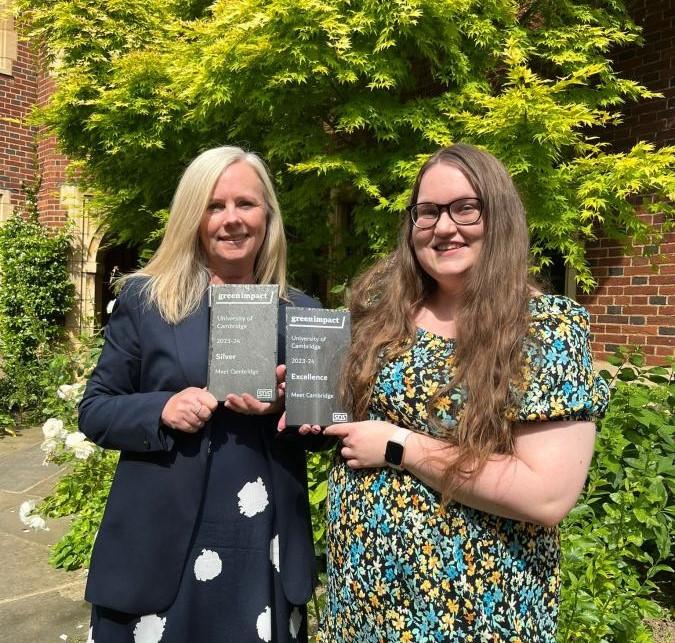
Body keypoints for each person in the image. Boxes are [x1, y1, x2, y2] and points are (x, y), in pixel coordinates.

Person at [317, 144, 609, 641]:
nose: (444, 227)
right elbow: (345, 418)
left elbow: (547, 494)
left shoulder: (544, 328)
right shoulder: (384, 313)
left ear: (499, 216)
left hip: (474, 606)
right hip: (363, 598)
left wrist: (398, 446)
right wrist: (297, 393)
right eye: (427, 212)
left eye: (464, 208)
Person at [79, 146, 321, 643]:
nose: (231, 220)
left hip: (263, 543)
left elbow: (325, 430)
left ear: (268, 215)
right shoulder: (148, 300)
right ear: (193, 215)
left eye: (245, 205)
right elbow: (95, 408)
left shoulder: (301, 311)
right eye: (215, 206)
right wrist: (160, 408)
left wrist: (284, 408)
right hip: (164, 547)